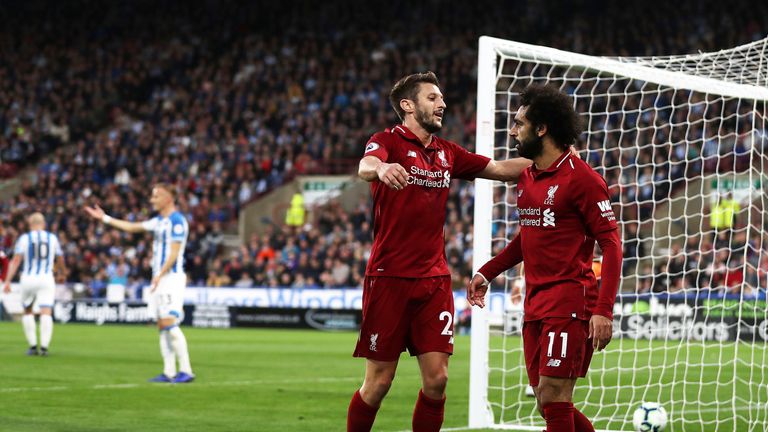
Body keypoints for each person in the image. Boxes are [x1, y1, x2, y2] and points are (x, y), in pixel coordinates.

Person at [347, 71, 532, 432]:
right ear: (408, 105)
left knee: (437, 380)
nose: (442, 104)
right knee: (379, 383)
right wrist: (382, 167)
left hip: (434, 281)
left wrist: (552, 162)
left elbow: (497, 168)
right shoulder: (386, 141)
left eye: (441, 98)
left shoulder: (447, 152)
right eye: (432, 98)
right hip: (390, 279)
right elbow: (365, 165)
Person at [467, 84, 622, 432]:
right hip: (535, 304)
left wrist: (603, 310)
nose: (512, 131)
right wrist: (487, 272)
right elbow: (528, 238)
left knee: (553, 396)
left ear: (542, 129)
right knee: (545, 401)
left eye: (519, 123)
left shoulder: (583, 179)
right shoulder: (528, 176)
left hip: (569, 301)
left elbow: (611, 244)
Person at [84, 183, 195, 384]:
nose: (152, 200)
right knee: (161, 324)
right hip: (160, 278)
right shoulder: (159, 221)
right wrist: (105, 218)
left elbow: (174, 252)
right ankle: (169, 371)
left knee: (170, 322)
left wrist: (160, 274)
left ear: (169, 198)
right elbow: (133, 227)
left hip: (171, 278)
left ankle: (186, 370)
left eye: (156, 196)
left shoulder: (177, 221)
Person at [3, 213, 66, 356]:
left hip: (28, 278)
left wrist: (7, 281)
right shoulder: (52, 238)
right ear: (43, 224)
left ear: (30, 225)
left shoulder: (25, 239)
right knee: (46, 312)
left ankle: (32, 346)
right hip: (46, 278)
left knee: (28, 311)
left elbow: (16, 260)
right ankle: (44, 348)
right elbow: (60, 258)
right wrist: (62, 274)